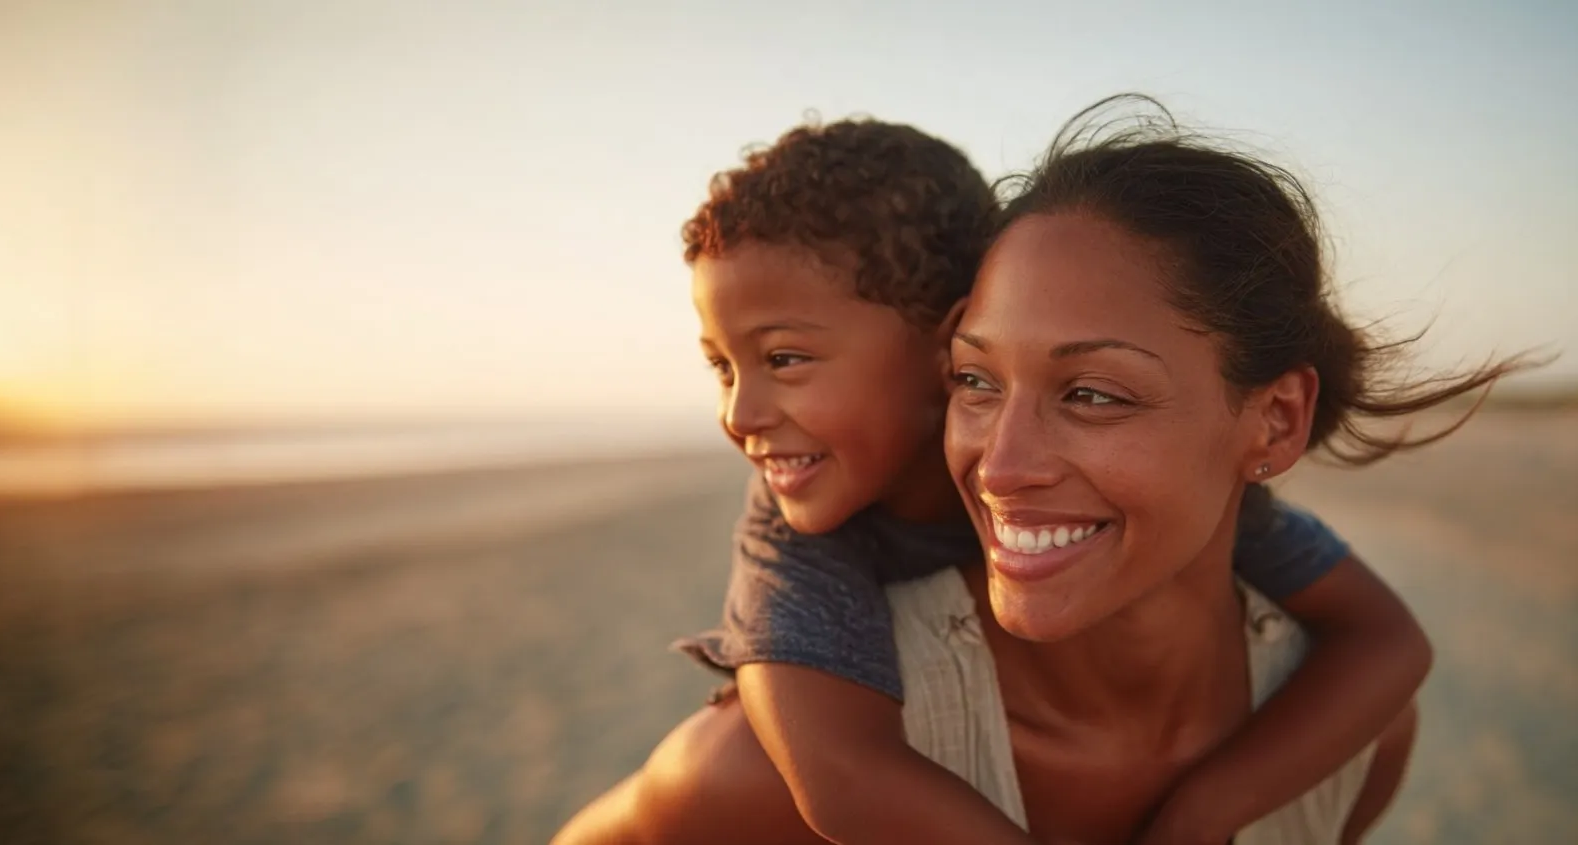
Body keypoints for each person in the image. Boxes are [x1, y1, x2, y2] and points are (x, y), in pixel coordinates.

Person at [553, 104, 1447, 845]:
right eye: (977, 381)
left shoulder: (1341, 738)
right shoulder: (761, 720)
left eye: (1094, 393)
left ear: (1276, 422)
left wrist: (1203, 812)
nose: (1001, 466)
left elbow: (1384, 638)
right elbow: (818, 778)